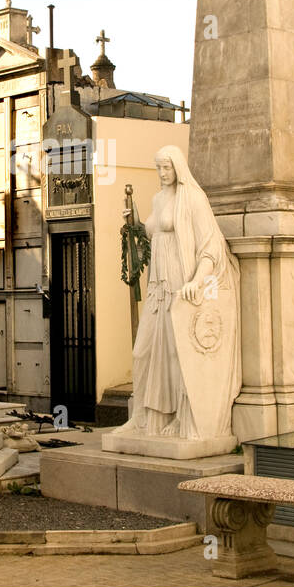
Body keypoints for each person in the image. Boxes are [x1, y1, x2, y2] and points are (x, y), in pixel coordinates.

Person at [115, 145, 240, 440]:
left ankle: (181, 417)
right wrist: (135, 223)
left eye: (167, 167)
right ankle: (145, 417)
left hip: (180, 284)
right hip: (158, 286)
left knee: (177, 354)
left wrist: (198, 280)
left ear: (178, 167)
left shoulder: (194, 199)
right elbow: (153, 232)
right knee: (144, 351)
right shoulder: (159, 199)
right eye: (158, 168)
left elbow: (210, 246)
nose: (162, 173)